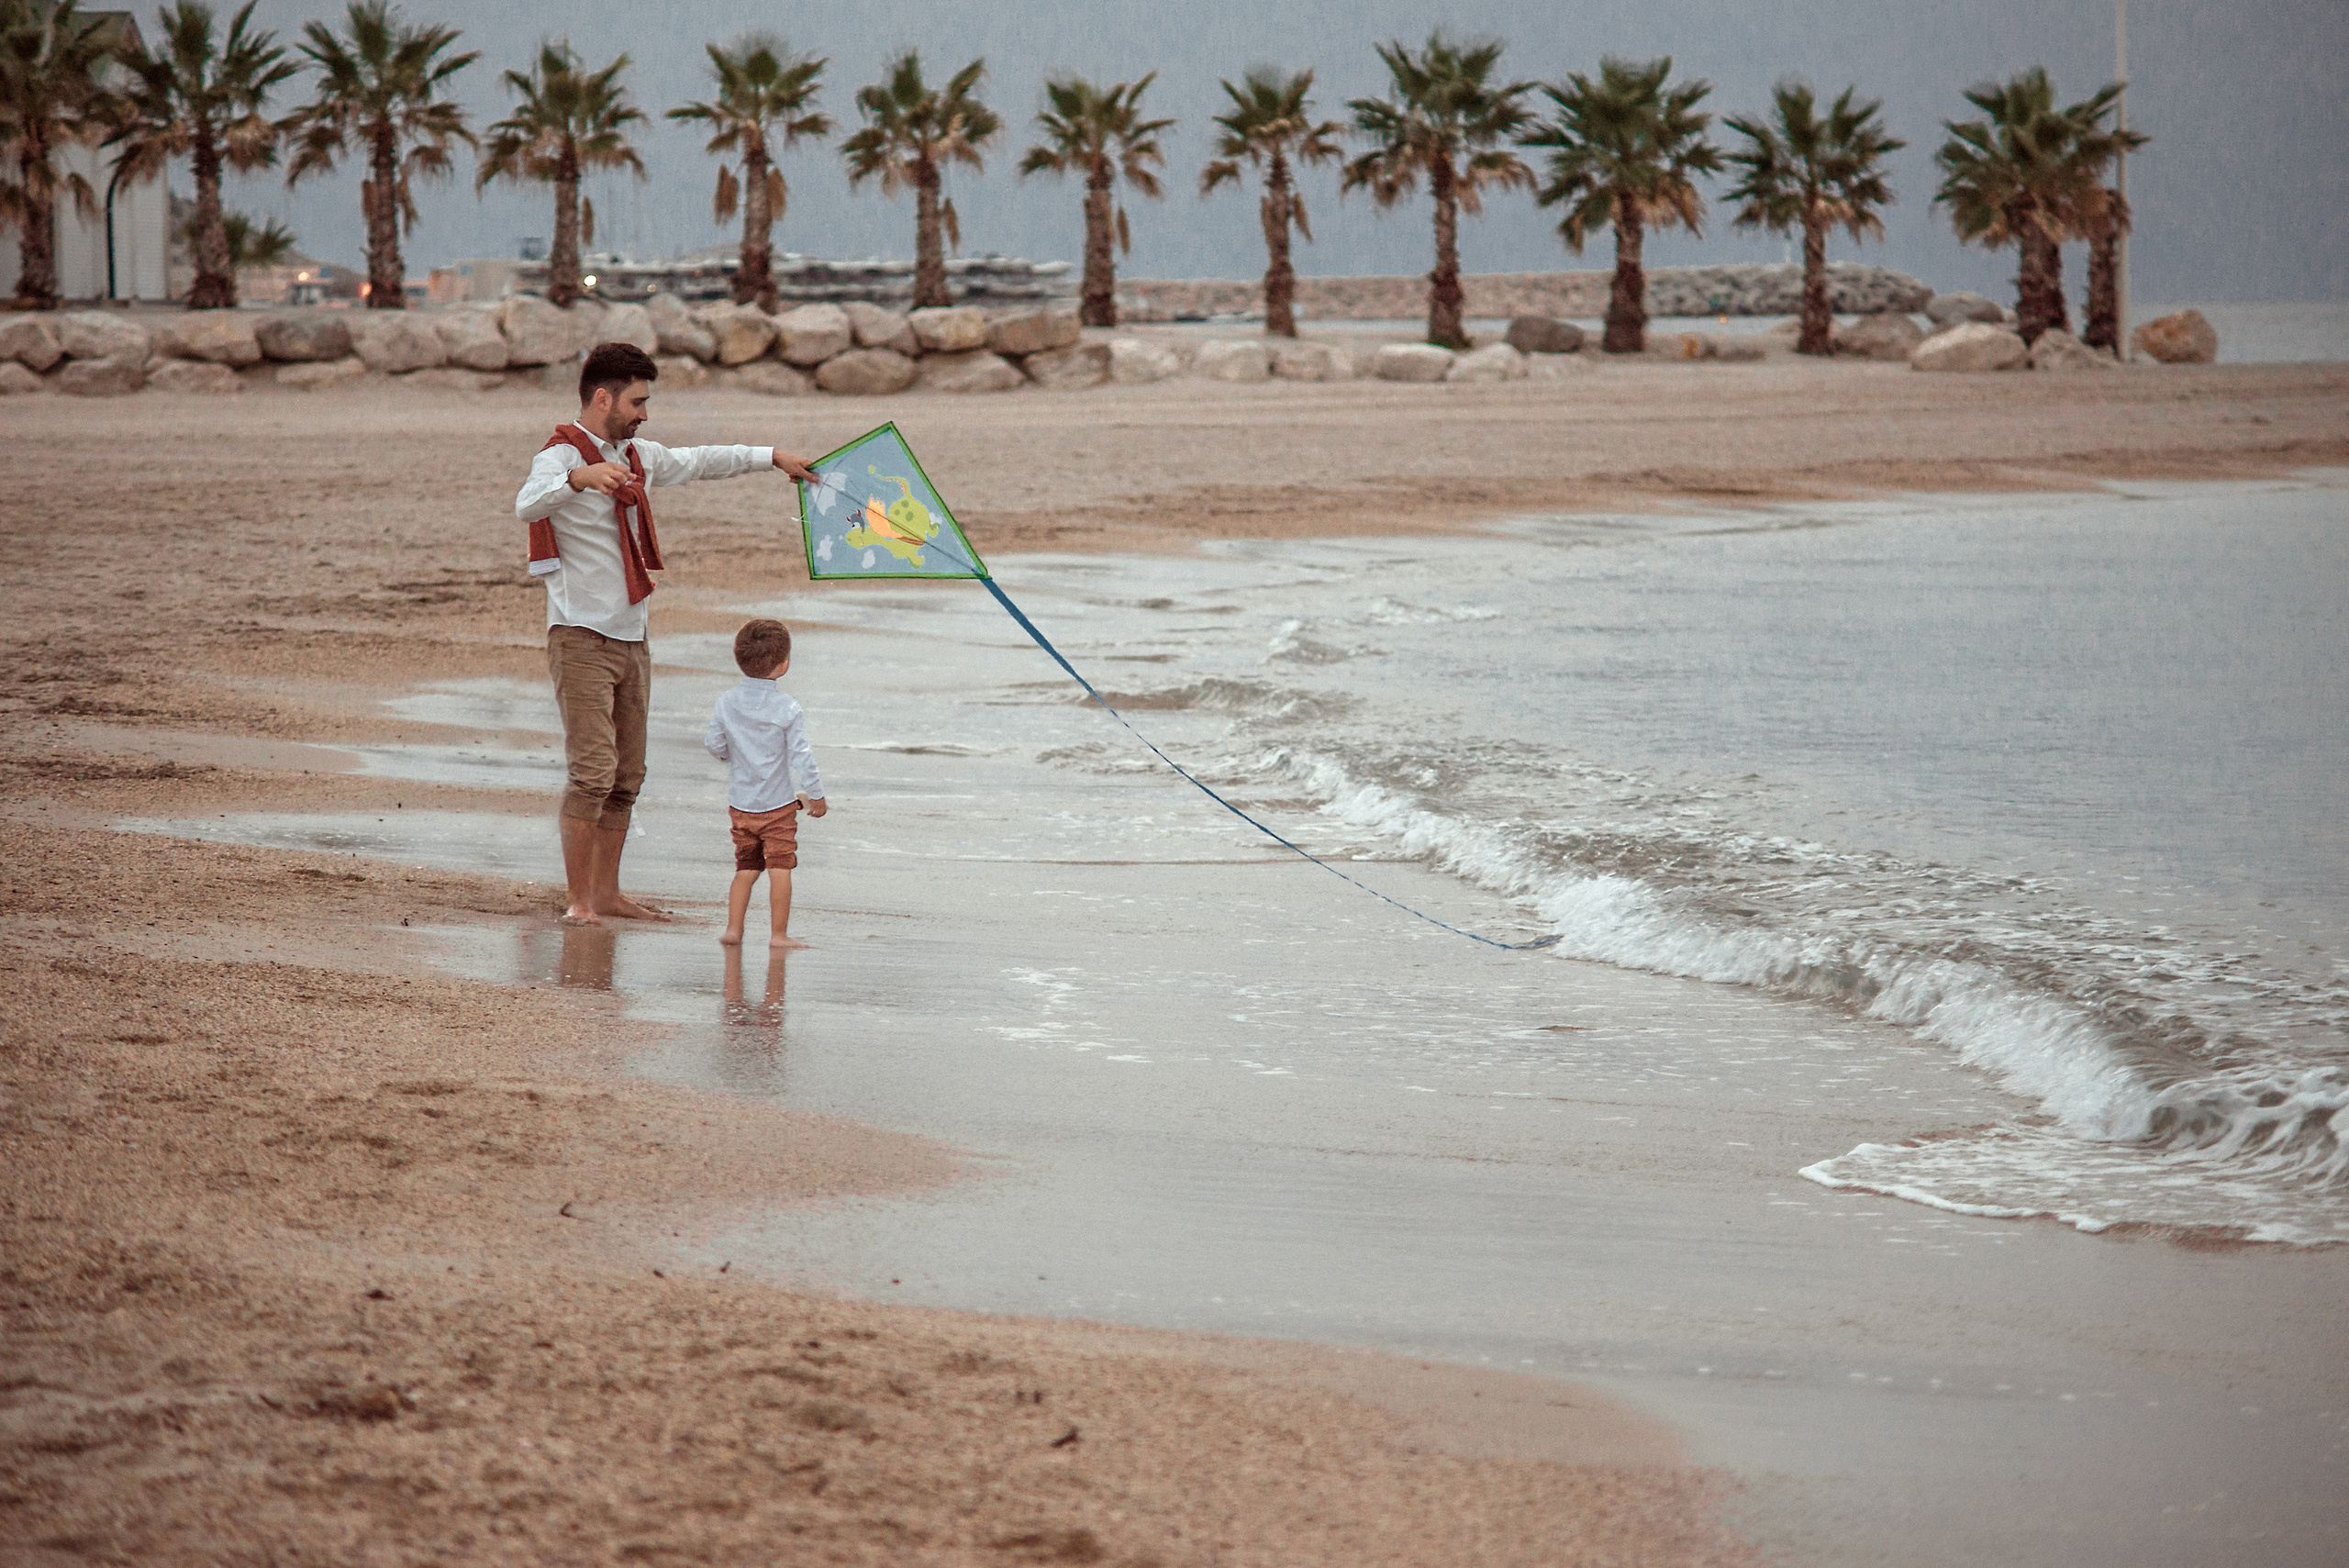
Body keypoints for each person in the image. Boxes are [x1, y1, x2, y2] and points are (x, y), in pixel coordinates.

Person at [514, 341, 818, 926]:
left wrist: (772, 456)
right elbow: (527, 505)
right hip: (579, 635)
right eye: (637, 402)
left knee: (627, 776)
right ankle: (579, 901)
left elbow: (700, 460)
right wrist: (579, 477)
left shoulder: (637, 456)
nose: (645, 414)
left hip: (633, 635)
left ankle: (607, 893)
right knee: (592, 773)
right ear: (602, 398)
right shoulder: (558, 456)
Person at [704, 617, 828, 948]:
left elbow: (713, 743)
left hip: (740, 805)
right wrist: (816, 795)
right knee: (780, 868)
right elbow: (801, 756)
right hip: (777, 807)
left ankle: (733, 930)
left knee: (745, 867)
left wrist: (731, 756)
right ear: (783, 664)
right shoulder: (788, 708)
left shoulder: (727, 701)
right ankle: (778, 935)